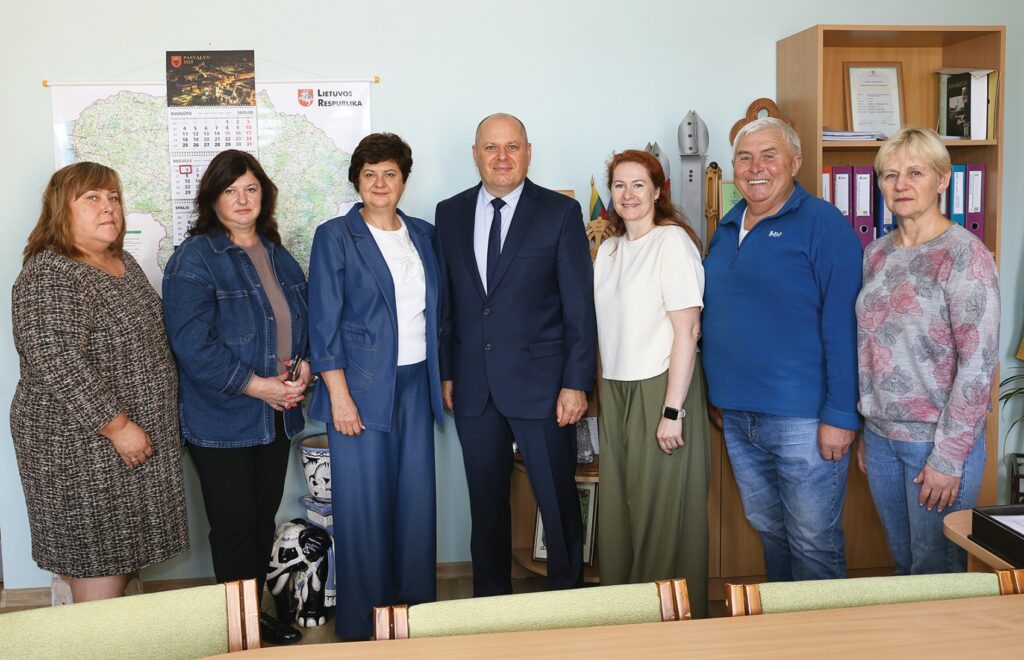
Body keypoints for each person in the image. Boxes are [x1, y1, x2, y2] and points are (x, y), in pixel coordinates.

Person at [11, 162, 188, 602]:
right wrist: (118, 427)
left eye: (113, 197)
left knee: (123, 557)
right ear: (61, 209)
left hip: (127, 443)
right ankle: (90, 631)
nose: (108, 207)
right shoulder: (50, 273)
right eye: (91, 198)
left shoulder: (122, 262)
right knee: (98, 560)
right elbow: (58, 362)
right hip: (81, 447)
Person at [435, 113, 597, 596]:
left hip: (543, 388)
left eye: (511, 147)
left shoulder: (560, 213)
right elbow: (447, 303)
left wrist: (576, 383)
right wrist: (447, 372)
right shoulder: (450, 213)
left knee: (557, 500)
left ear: (528, 152)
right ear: (475, 154)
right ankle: (492, 607)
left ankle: (569, 604)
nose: (501, 157)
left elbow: (579, 307)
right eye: (491, 147)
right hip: (474, 386)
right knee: (485, 507)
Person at [702, 117, 863, 582]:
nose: (756, 168)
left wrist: (841, 416)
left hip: (804, 420)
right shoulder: (727, 226)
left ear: (795, 163)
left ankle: (822, 629)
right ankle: (785, 623)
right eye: (745, 158)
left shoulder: (823, 224)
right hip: (738, 416)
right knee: (771, 532)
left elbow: (843, 325)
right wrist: (718, 393)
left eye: (769, 156)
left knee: (813, 543)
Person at [162, 149, 310, 645]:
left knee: (261, 521)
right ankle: (239, 629)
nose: (242, 199)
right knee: (234, 525)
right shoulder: (195, 258)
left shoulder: (277, 253)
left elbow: (302, 323)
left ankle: (253, 616)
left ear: (264, 194)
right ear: (212, 199)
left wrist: (304, 367)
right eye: (230, 190)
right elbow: (193, 346)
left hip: (277, 417)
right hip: (222, 419)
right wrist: (259, 386)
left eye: (251, 188)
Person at [307, 132, 444, 640]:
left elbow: (439, 314)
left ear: (404, 180)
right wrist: (339, 396)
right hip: (360, 390)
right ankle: (364, 627)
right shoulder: (335, 236)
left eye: (390, 173)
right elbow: (323, 323)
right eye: (370, 174)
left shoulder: (424, 235)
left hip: (417, 383)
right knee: (364, 510)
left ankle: (413, 617)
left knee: (415, 505)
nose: (380, 183)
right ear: (356, 181)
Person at [857, 127, 998, 574]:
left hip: (935, 445)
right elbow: (870, 348)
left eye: (915, 173)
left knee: (935, 572)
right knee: (904, 565)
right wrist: (867, 429)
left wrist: (949, 458)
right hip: (880, 438)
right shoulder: (875, 254)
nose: (901, 185)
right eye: (890, 175)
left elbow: (978, 366)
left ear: (943, 180)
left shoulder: (965, 256)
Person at [594, 150, 710, 616]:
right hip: (616, 390)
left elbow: (688, 331)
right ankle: (626, 617)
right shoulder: (609, 250)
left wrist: (672, 411)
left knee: (659, 515)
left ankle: (666, 624)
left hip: (662, 389)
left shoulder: (672, 243)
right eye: (619, 185)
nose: (628, 194)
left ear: (658, 190)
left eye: (638, 184)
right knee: (621, 512)